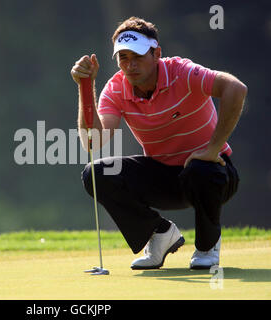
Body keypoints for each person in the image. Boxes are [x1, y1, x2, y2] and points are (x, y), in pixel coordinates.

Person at [70, 17, 247, 270]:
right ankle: (160, 234)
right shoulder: (116, 88)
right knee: (96, 174)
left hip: (213, 173)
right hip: (163, 175)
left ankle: (207, 246)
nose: (130, 65)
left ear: (157, 54)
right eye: (123, 58)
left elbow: (236, 89)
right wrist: (85, 86)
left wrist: (212, 148)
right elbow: (93, 141)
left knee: (201, 169)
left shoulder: (183, 72)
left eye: (138, 56)